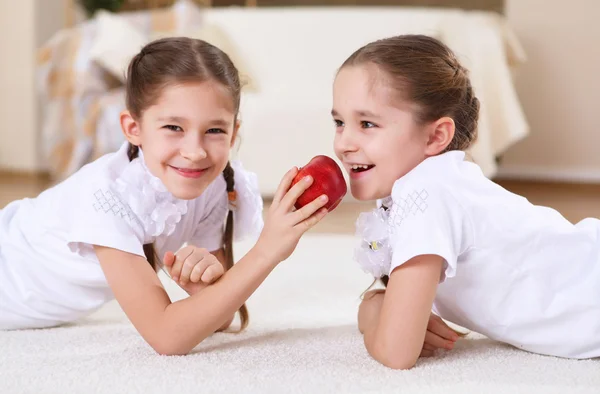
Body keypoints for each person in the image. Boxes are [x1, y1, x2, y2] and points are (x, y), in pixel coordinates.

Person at [0, 37, 329, 356]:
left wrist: (205, 287)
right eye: (174, 127)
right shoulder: (106, 197)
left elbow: (219, 314)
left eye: (214, 130)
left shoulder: (213, 187)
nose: (194, 152)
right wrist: (267, 252)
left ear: (233, 134)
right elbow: (167, 336)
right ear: (133, 128)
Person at [332, 34, 600, 369]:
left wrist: (372, 313)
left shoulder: (426, 193)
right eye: (339, 122)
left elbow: (396, 352)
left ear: (436, 136)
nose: (343, 142)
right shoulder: (425, 187)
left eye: (367, 123)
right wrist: (378, 303)